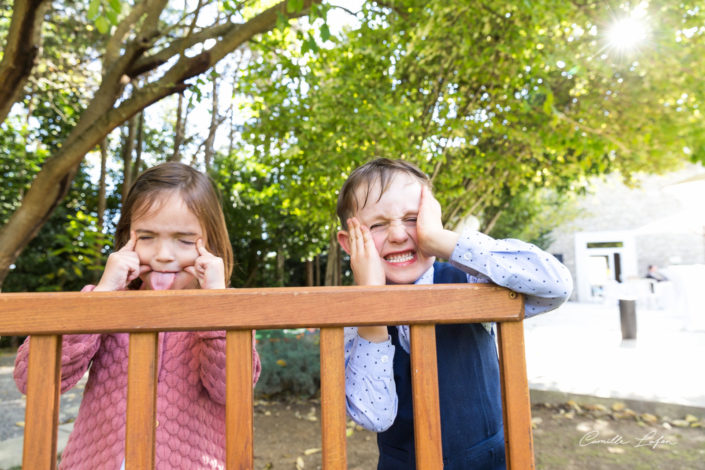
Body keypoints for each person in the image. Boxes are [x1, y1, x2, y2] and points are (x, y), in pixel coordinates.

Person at [14, 162, 261, 469]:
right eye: (146, 237)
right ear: (126, 240)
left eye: (185, 241)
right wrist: (103, 297)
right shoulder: (105, 304)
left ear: (210, 246)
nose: (163, 255)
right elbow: (31, 379)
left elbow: (232, 391)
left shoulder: (227, 311)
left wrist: (215, 303)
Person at [337, 158, 572, 469]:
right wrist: (372, 308)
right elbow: (374, 417)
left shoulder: (471, 281)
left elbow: (556, 285)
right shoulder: (353, 320)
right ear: (348, 243)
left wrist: (440, 240)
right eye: (378, 225)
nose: (397, 235)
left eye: (412, 218)